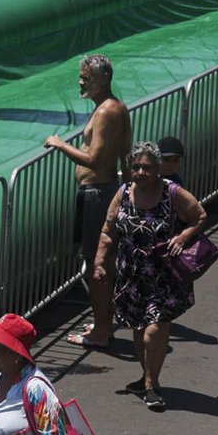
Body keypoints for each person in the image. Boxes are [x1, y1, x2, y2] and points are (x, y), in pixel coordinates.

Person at [96, 146, 205, 409]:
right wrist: (100, 261)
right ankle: (147, 376)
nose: (141, 172)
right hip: (131, 274)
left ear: (157, 169)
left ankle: (152, 384)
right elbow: (109, 230)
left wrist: (182, 236)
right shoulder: (123, 193)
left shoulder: (172, 192)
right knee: (138, 327)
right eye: (136, 167)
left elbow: (199, 216)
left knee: (155, 327)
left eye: (147, 167)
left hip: (164, 274)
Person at [44, 54, 131, 347]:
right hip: (106, 191)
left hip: (97, 193)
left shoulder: (107, 112)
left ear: (104, 78)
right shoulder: (117, 108)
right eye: (81, 76)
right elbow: (125, 154)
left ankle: (102, 330)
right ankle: (104, 320)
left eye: (87, 77)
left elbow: (95, 160)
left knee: (98, 264)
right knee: (103, 261)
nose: (81, 81)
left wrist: (61, 145)